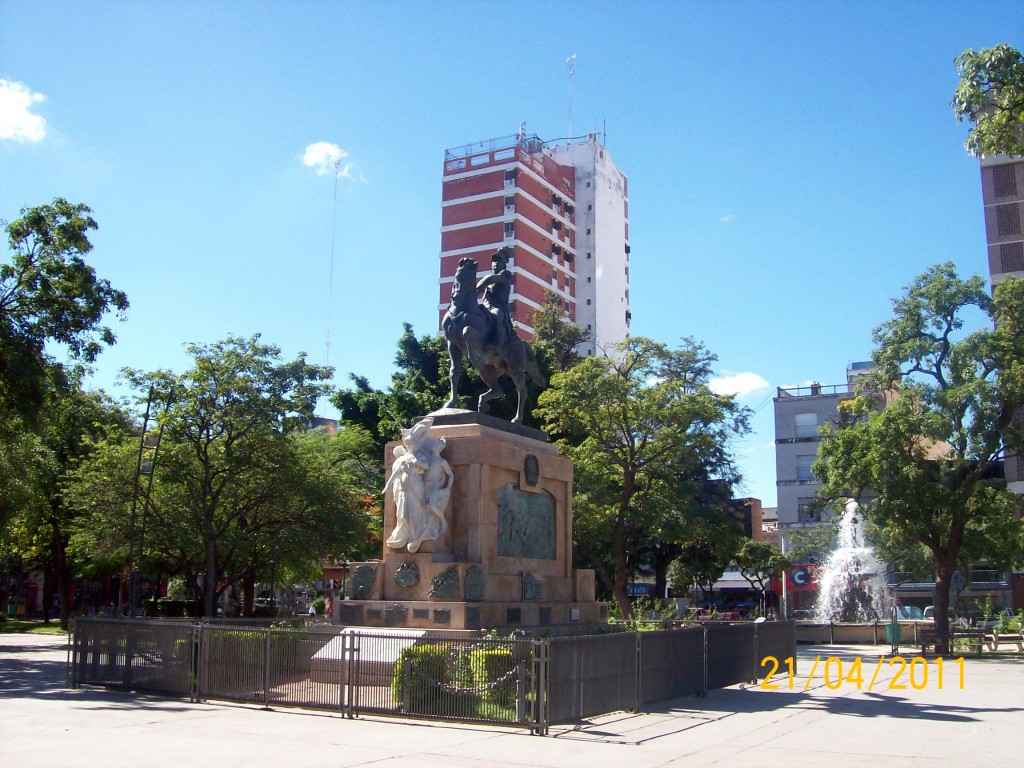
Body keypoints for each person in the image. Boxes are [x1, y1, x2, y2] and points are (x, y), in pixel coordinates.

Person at [476, 248, 515, 347]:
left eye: (499, 260)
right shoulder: (490, 278)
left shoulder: (504, 277)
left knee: (498, 315)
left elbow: (489, 280)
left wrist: (476, 288)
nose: (496, 263)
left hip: (497, 307)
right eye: (494, 261)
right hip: (485, 307)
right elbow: (480, 289)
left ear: (504, 264)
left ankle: (497, 344)